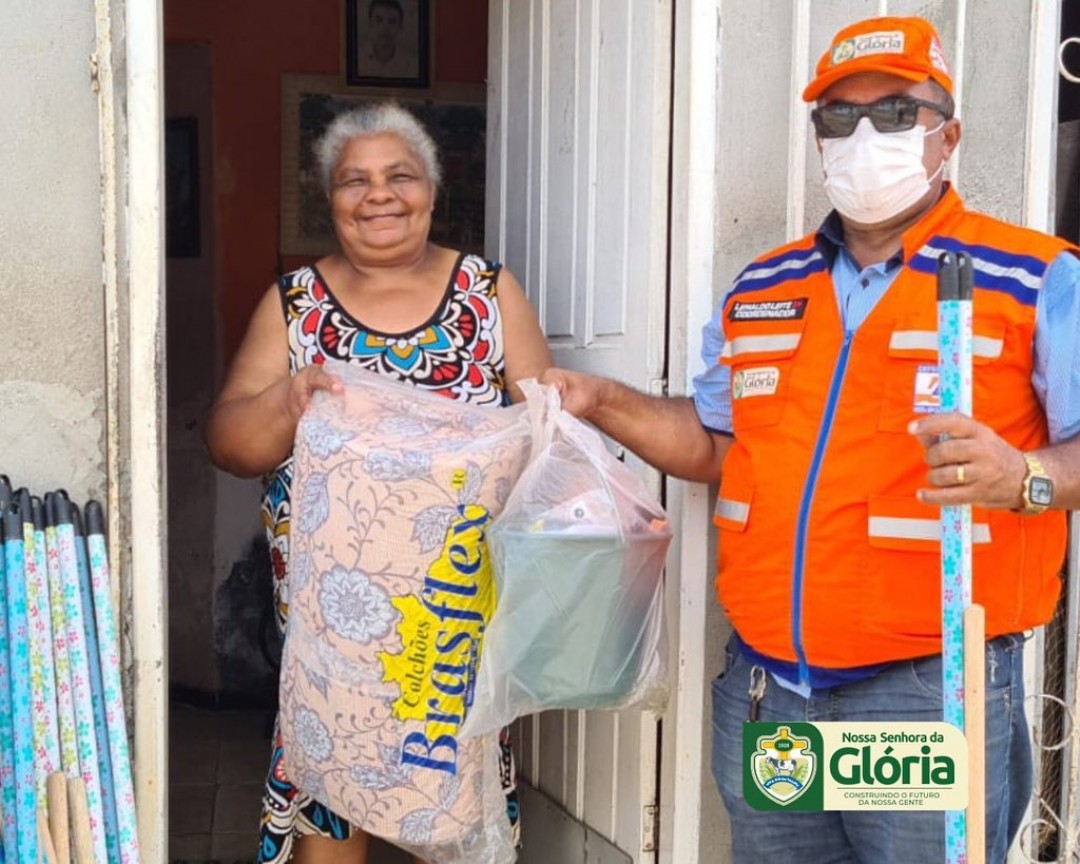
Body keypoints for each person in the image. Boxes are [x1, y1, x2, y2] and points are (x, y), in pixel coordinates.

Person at [542, 16, 1080, 863]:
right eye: (840, 117)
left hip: (920, 694)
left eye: (898, 113)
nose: (866, 137)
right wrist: (599, 398)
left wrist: (1024, 476)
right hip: (771, 692)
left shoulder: (1034, 276)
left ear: (950, 135)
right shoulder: (764, 287)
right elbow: (718, 446)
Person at [206, 101, 551, 864]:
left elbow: (547, 436)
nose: (379, 194)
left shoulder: (490, 295)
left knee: (452, 811)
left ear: (432, 188)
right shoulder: (296, 304)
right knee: (333, 809)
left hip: (452, 621)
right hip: (334, 633)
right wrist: (286, 400)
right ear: (329, 198)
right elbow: (229, 442)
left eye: (400, 175)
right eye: (354, 180)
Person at [357, 0, 418, 80]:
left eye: (392, 21)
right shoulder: (356, 60)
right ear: (370, 24)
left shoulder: (412, 66)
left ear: (400, 27)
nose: (385, 27)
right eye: (378, 20)